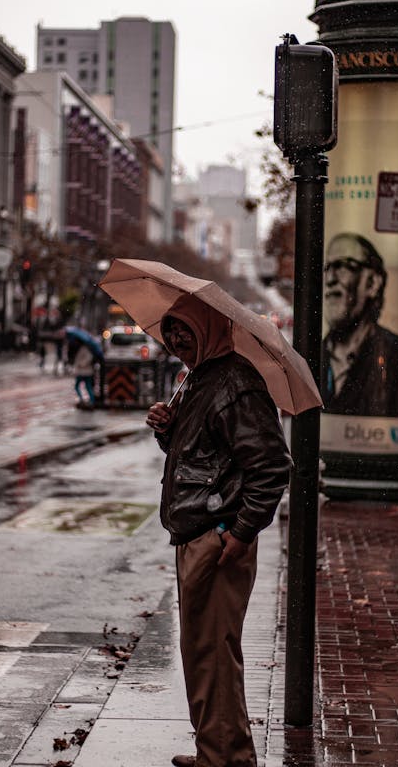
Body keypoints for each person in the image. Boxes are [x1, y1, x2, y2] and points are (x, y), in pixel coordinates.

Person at [145, 295, 291, 767]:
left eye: (185, 330)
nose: (176, 340)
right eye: (171, 332)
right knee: (202, 653)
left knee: (213, 653)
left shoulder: (235, 383)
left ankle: (227, 758)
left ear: (209, 326)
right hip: (201, 533)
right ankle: (215, 751)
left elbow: (270, 466)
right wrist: (168, 429)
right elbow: (206, 453)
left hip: (218, 536)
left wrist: (241, 532)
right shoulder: (201, 377)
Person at [320, 232, 398, 417]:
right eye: (327, 268)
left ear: (373, 283)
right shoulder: (312, 356)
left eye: (343, 266)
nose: (330, 279)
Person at [72, 340, 96, 407]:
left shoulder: (84, 349)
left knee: (79, 386)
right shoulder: (83, 348)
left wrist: (82, 364)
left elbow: (89, 357)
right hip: (83, 372)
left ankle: (89, 400)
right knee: (86, 386)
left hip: (84, 372)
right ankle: (90, 400)